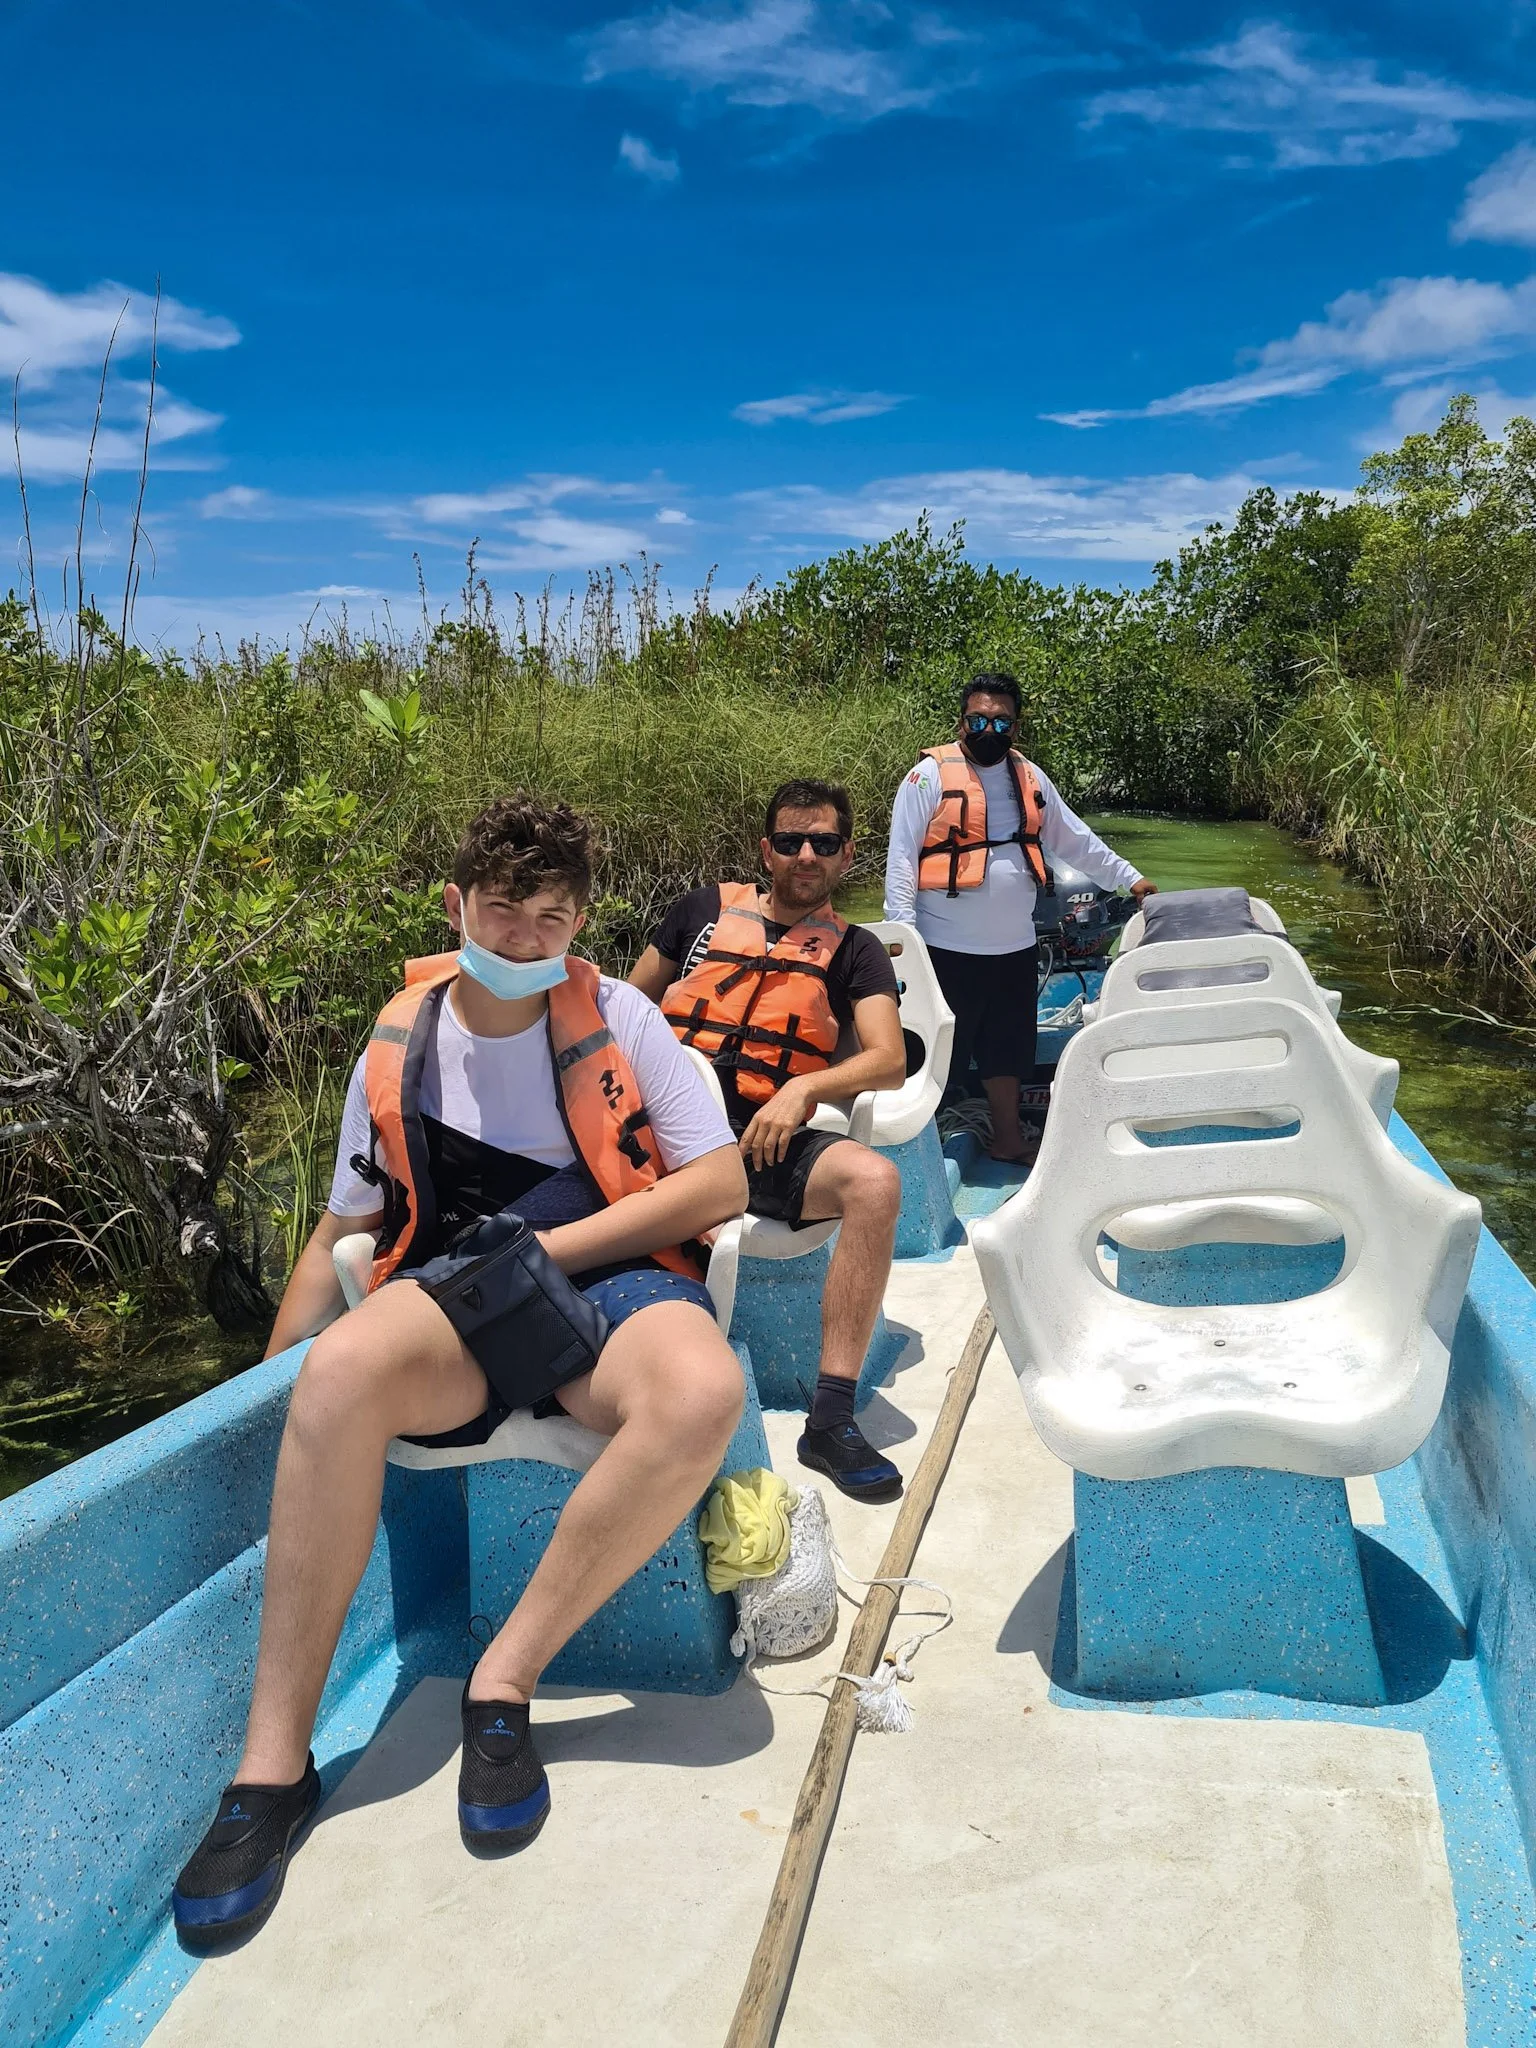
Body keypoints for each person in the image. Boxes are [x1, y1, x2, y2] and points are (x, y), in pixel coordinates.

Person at [171, 796, 748, 1946]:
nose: (529, 937)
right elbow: (342, 1220)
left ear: (581, 917)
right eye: (503, 910)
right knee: (336, 1377)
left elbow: (717, 1183)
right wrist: (264, 1376)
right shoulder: (398, 1040)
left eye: (553, 916)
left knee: (704, 1391)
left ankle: (506, 1677)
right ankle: (272, 1771)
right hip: (454, 1298)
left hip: (613, 1274)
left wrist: (548, 1251)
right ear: (457, 906)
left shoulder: (622, 1016)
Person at [629, 779, 909, 1506]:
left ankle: (832, 1417)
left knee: (874, 1183)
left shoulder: (858, 953)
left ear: (847, 855)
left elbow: (888, 1057)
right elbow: (625, 1010)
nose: (805, 855)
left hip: (759, 1144)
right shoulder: (699, 913)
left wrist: (803, 1089)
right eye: (790, 841)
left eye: (823, 843)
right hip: (658, 1135)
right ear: (766, 849)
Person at [885, 672, 1157, 1163]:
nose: (989, 730)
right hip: (943, 950)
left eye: (1001, 721)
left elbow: (1074, 838)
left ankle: (1008, 1137)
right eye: (978, 719)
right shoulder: (925, 778)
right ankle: (914, 1152)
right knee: (932, 1054)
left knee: (1009, 1050)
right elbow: (901, 862)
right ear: (962, 720)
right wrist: (903, 944)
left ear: (1016, 726)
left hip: (1014, 948)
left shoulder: (1029, 777)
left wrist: (1130, 878)